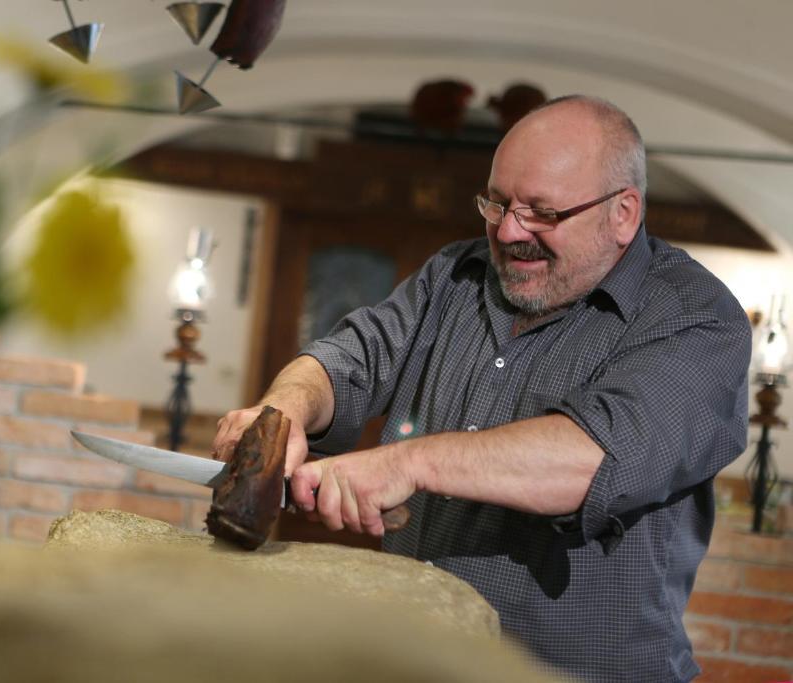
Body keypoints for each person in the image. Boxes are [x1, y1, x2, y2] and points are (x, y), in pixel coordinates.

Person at [211, 95, 751, 682]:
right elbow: (352, 356)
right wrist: (283, 411)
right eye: (498, 204)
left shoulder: (696, 319)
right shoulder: (455, 275)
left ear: (622, 213)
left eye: (543, 212)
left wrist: (408, 464)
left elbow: (590, 459)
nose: (511, 231)